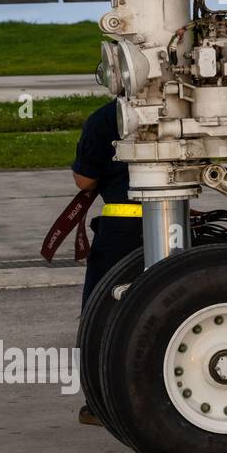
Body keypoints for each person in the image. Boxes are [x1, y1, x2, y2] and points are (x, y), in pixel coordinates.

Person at [72, 99, 143, 310]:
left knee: (102, 305)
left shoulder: (104, 118)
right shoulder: (179, 111)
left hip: (122, 230)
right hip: (176, 220)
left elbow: (85, 181)